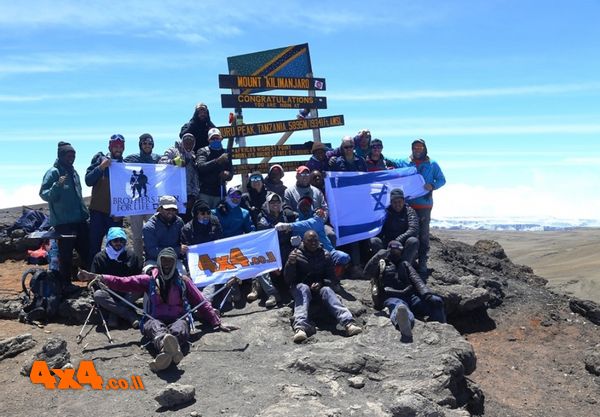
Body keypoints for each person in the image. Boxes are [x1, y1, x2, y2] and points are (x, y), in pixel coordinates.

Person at [78, 247, 234, 372]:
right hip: (154, 318)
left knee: (180, 327)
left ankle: (164, 354)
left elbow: (202, 302)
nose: (166, 264)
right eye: (164, 261)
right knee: (154, 327)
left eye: (170, 261)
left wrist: (217, 322)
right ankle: (171, 349)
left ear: (174, 263)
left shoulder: (183, 281)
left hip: (178, 318)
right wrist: (98, 277)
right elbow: (123, 282)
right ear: (159, 262)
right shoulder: (148, 280)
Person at [284, 230, 362, 343]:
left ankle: (348, 323)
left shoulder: (325, 254)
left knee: (327, 290)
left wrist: (321, 283)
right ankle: (300, 328)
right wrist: (290, 264)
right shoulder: (295, 254)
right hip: (301, 289)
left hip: (319, 289)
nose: (313, 243)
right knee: (303, 288)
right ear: (303, 241)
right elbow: (288, 280)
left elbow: (332, 278)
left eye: (315, 240)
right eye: (309, 241)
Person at [364, 241, 446, 342]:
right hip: (391, 296)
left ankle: (441, 328)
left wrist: (426, 294)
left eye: (398, 250)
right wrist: (377, 257)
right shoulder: (382, 264)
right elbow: (367, 273)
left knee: (436, 302)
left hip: (410, 296)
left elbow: (416, 279)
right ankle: (404, 324)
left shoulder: (405, 264)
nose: (396, 252)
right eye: (393, 250)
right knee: (400, 307)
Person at [39, 141, 90, 290]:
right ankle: (65, 284)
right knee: (65, 255)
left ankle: (92, 281)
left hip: (80, 220)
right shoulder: (53, 172)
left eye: (73, 155)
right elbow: (44, 194)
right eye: (69, 155)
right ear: (61, 156)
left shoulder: (73, 173)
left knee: (87, 252)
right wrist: (57, 186)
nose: (72, 158)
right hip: (64, 223)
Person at [396, 139, 446, 277]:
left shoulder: (432, 164)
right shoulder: (405, 162)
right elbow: (390, 161)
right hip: (407, 205)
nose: (418, 149)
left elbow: (442, 180)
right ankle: (410, 261)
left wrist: (433, 185)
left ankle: (423, 262)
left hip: (424, 205)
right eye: (415, 147)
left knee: (423, 235)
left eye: (420, 147)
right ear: (411, 148)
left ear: (424, 148)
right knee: (409, 234)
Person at [249, 192, 296, 308]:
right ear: (267, 204)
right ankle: (272, 293)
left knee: (296, 257)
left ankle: (294, 288)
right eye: (272, 202)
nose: (275, 204)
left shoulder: (286, 215)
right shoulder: (262, 217)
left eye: (277, 202)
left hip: (285, 248)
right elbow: (266, 236)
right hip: (269, 250)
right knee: (259, 263)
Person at [90, 227, 143, 329]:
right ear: (109, 241)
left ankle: (114, 314)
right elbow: (94, 280)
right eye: (115, 240)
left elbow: (137, 276)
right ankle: (129, 315)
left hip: (127, 292)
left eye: (121, 240)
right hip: (108, 293)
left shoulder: (131, 256)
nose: (118, 243)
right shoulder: (99, 257)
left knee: (140, 288)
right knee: (98, 295)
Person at [85, 134, 125, 261]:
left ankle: (114, 275)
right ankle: (93, 275)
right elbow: (88, 180)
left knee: (117, 245)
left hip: (115, 215)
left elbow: (128, 193)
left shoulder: (125, 166)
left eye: (120, 146)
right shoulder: (100, 160)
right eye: (115, 146)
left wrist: (121, 212)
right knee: (94, 245)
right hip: (97, 212)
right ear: (110, 147)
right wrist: (101, 167)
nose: (118, 149)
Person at [124, 133, 161, 260]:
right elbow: (119, 165)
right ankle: (138, 262)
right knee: (137, 236)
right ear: (140, 144)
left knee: (154, 233)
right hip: (136, 204)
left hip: (151, 202)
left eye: (150, 143)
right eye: (145, 143)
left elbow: (168, 166)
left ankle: (154, 259)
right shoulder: (132, 158)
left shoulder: (157, 158)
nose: (147, 145)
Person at [370, 188, 419, 264]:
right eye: (394, 202)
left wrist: (398, 240)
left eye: (399, 202)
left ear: (404, 201)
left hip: (403, 245)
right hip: (388, 245)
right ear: (391, 202)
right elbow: (379, 230)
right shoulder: (385, 212)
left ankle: (404, 266)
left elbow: (414, 229)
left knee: (413, 240)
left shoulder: (410, 211)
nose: (397, 204)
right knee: (374, 240)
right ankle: (384, 265)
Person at [160, 133, 200, 222]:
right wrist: (173, 162)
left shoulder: (193, 157)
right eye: (186, 142)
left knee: (186, 223)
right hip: (173, 195)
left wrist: (193, 196)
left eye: (191, 143)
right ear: (182, 142)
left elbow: (195, 179)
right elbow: (160, 164)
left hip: (188, 198)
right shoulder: (173, 151)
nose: (188, 145)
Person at [142, 195, 186, 274]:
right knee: (150, 276)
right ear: (160, 209)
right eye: (167, 209)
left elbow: (184, 240)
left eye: (173, 209)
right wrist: (178, 250)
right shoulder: (149, 227)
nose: (171, 212)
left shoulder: (179, 222)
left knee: (183, 274)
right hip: (154, 260)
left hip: (175, 259)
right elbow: (152, 251)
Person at [195, 128, 233, 208]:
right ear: (208, 140)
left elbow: (231, 172)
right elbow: (201, 167)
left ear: (221, 138)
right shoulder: (203, 151)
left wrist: (228, 174)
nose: (215, 140)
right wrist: (218, 161)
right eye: (212, 138)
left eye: (217, 138)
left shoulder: (225, 153)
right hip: (205, 192)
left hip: (220, 192)